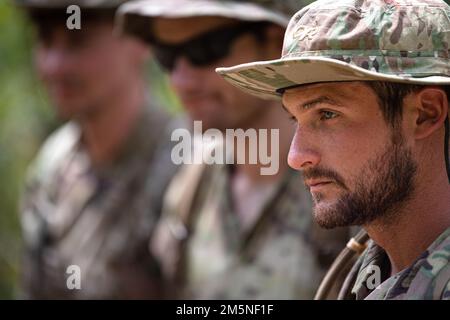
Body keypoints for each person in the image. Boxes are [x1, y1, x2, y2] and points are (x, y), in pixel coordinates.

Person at [117, 0, 351, 299]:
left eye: (206, 50)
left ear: (275, 42)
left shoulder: (344, 185)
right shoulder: (189, 181)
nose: (180, 80)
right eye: (167, 57)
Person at [217, 0, 450, 300]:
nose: (296, 156)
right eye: (295, 118)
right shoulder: (364, 270)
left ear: (425, 113)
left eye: (327, 114)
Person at [18, 0, 178, 299]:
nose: (54, 65)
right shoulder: (53, 168)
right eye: (45, 41)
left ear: (140, 42)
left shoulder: (190, 167)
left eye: (78, 41)